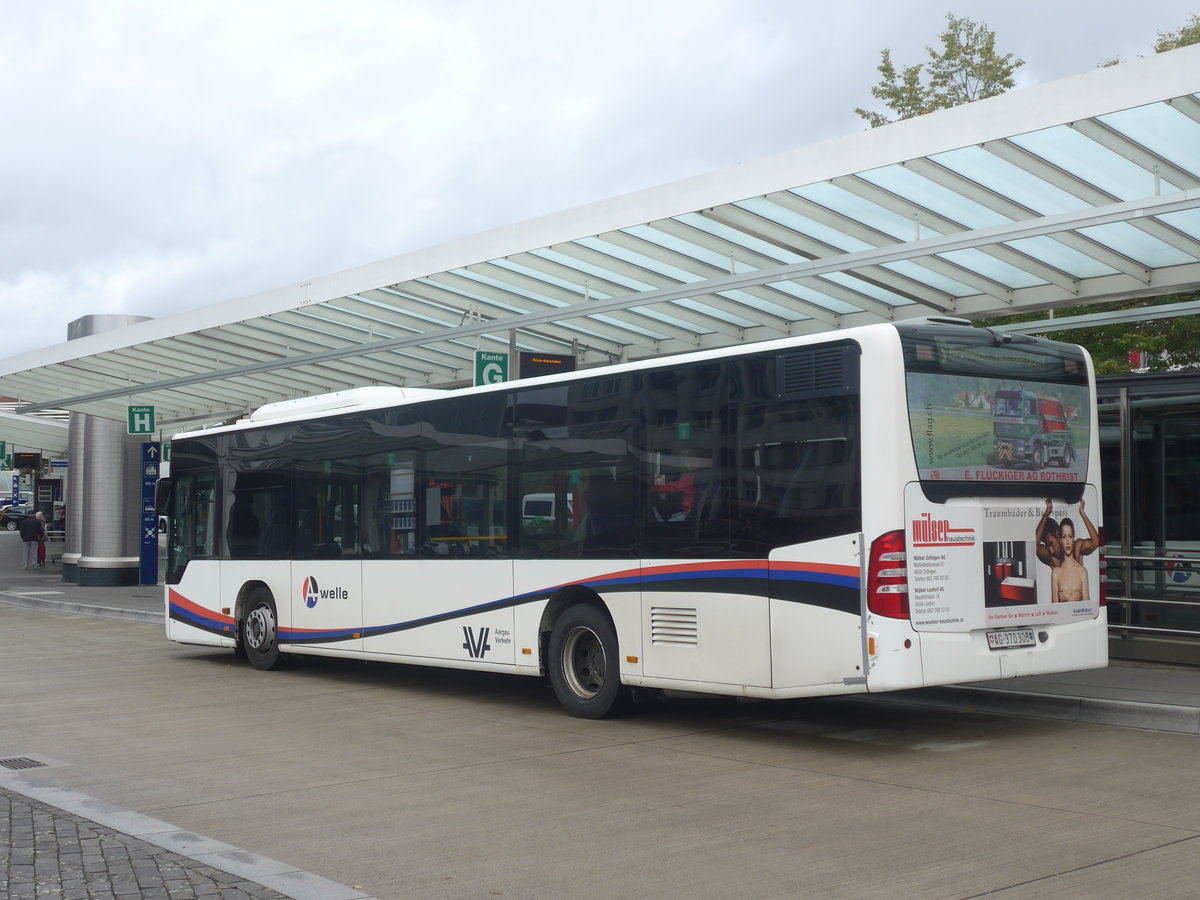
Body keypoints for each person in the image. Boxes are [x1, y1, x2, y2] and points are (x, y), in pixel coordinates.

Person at [1052, 518, 1091, 603]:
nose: (1068, 542)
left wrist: (1082, 514)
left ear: (1073, 539)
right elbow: (1054, 611)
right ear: (1060, 540)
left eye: (1070, 536)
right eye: (1064, 537)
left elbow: (1088, 609)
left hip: (1080, 616)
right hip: (1062, 616)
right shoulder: (1056, 573)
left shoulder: (1082, 571)